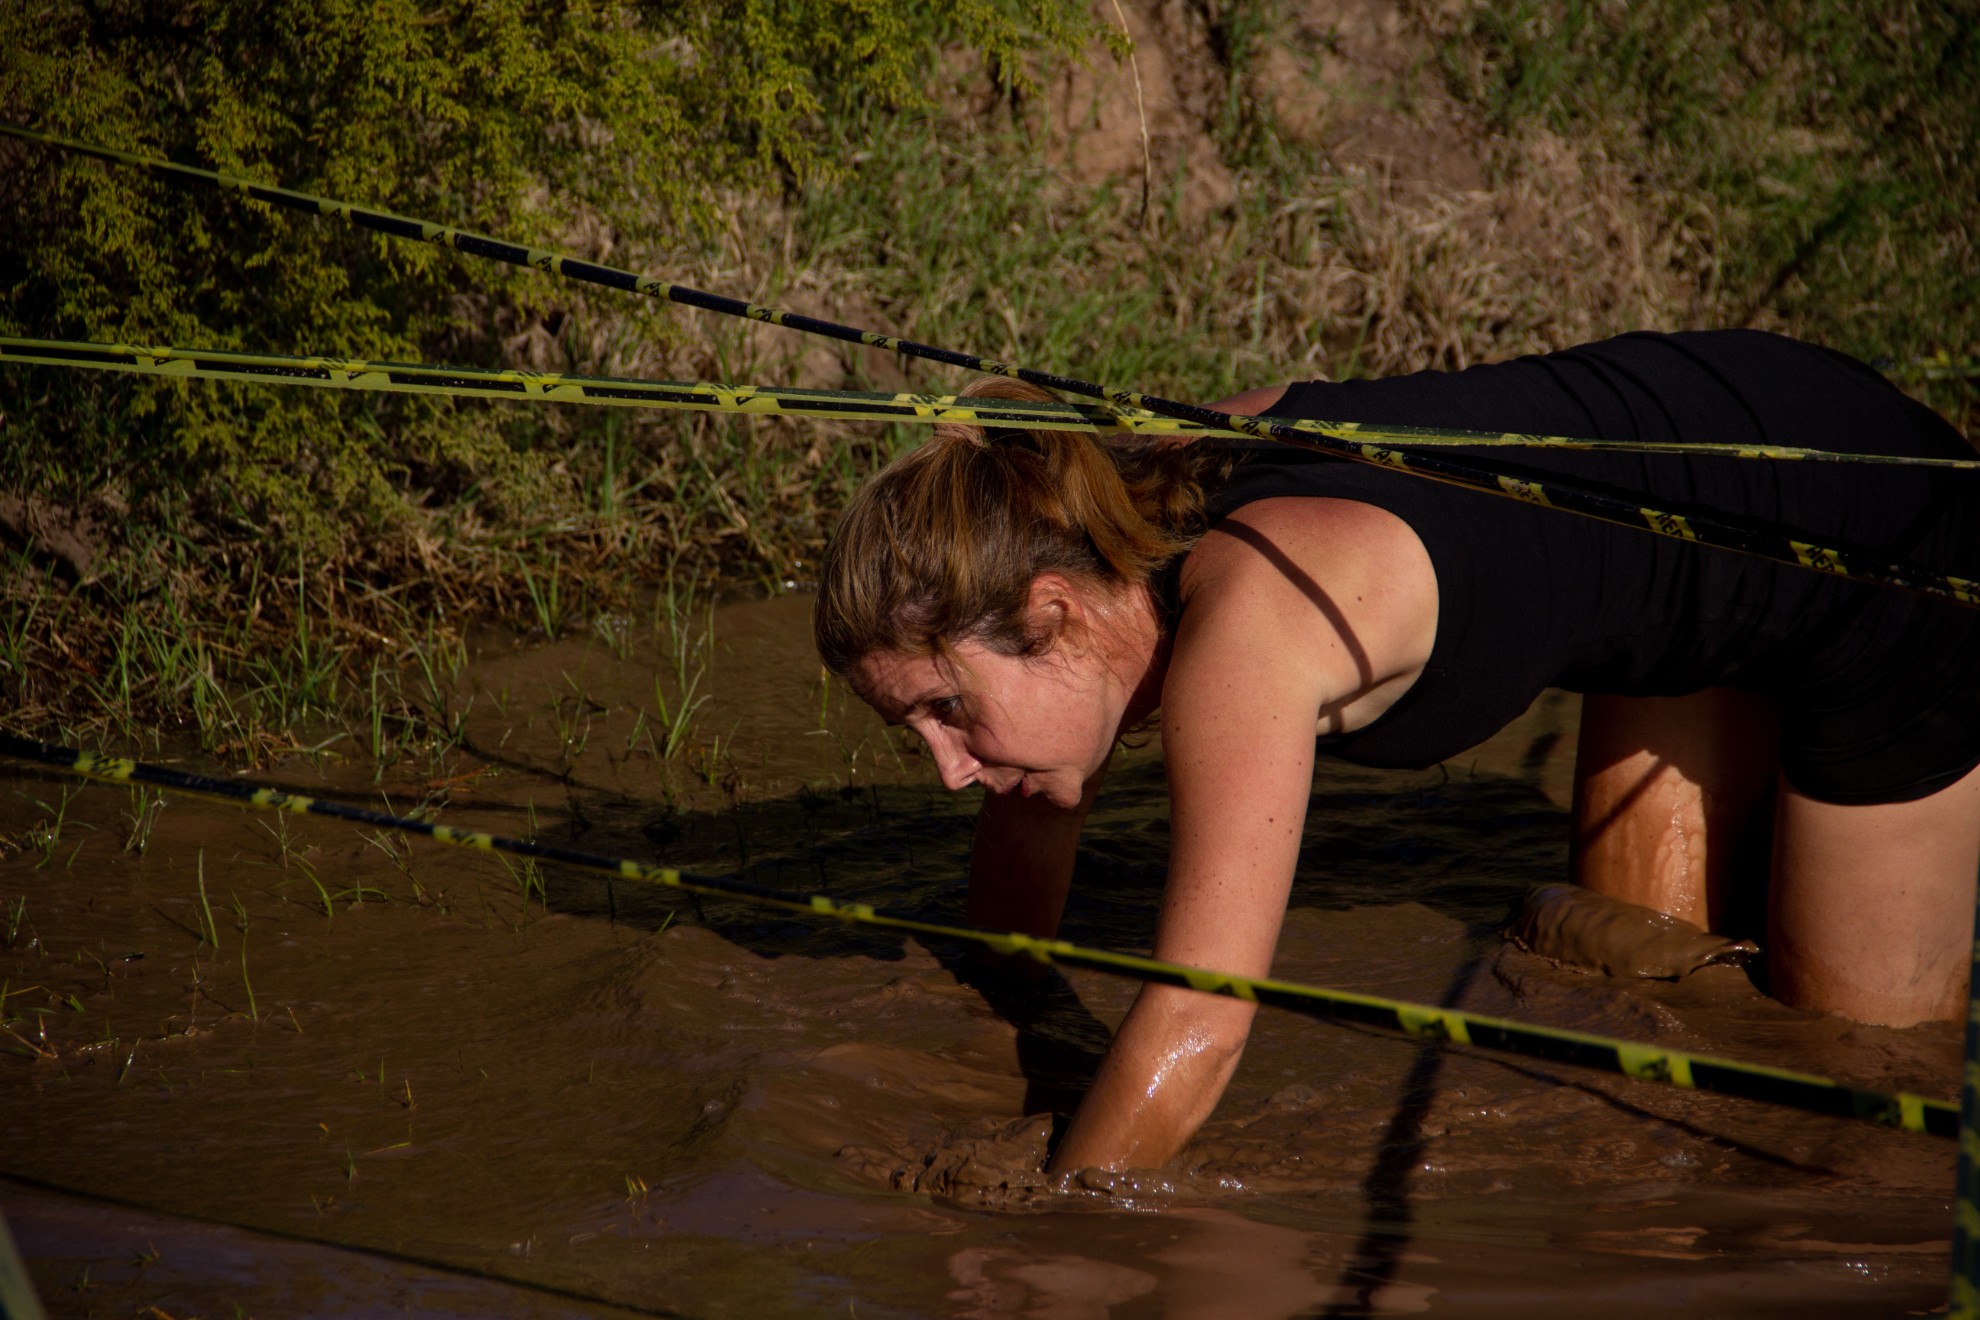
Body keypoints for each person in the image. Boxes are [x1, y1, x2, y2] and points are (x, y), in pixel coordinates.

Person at [811, 329, 1980, 1176]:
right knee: (1638, 994)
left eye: (947, 712)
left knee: (1857, 1090)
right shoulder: (1105, 511)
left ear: (1055, 613)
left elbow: (1202, 1024)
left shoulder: (1247, 635)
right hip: (1706, 533)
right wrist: (985, 1003)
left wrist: (1055, 1237)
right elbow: (1027, 817)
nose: (950, 768)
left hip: (1875, 546)